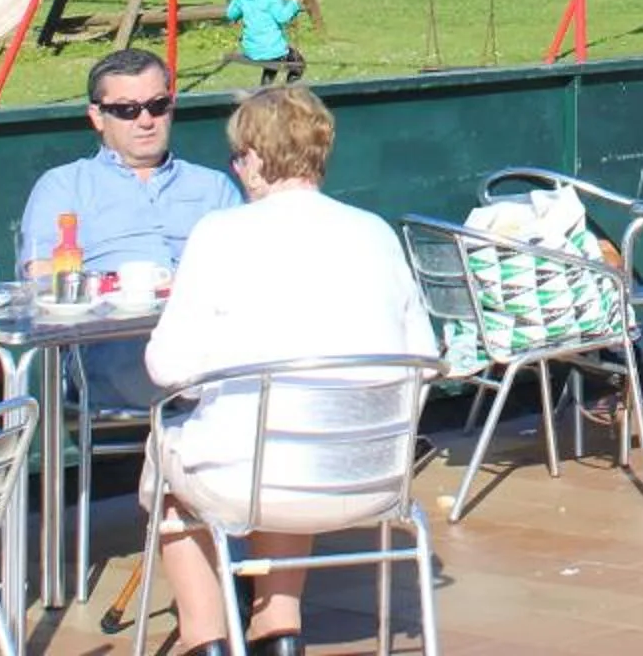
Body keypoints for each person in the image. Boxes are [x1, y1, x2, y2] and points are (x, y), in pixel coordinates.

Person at [144, 84, 436, 656]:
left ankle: (206, 639)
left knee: (172, 465)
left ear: (253, 160)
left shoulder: (221, 233)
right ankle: (278, 626)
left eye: (237, 158)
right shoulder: (373, 231)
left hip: (252, 474)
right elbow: (422, 359)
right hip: (369, 475)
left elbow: (166, 366)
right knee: (285, 442)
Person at [21, 49, 244, 406]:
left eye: (157, 106)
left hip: (209, 361)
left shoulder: (213, 187)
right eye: (127, 110)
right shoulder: (65, 186)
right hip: (114, 363)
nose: (145, 121)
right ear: (97, 116)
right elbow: (42, 278)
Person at [227, 0, 304, 84]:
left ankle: (265, 89)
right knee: (299, 65)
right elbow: (283, 17)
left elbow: (231, 14)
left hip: (251, 50)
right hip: (273, 51)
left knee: (271, 61)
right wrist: (294, 1)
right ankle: (290, 90)